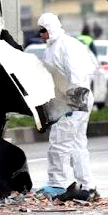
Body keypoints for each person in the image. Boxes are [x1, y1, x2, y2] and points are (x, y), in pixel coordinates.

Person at [35, 12, 97, 199]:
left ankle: (57, 184)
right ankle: (88, 186)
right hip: (72, 99)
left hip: (74, 99)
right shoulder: (53, 46)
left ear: (52, 28)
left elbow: (77, 74)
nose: (41, 34)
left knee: (59, 143)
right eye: (39, 31)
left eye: (44, 30)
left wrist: (73, 103)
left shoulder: (66, 45)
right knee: (77, 144)